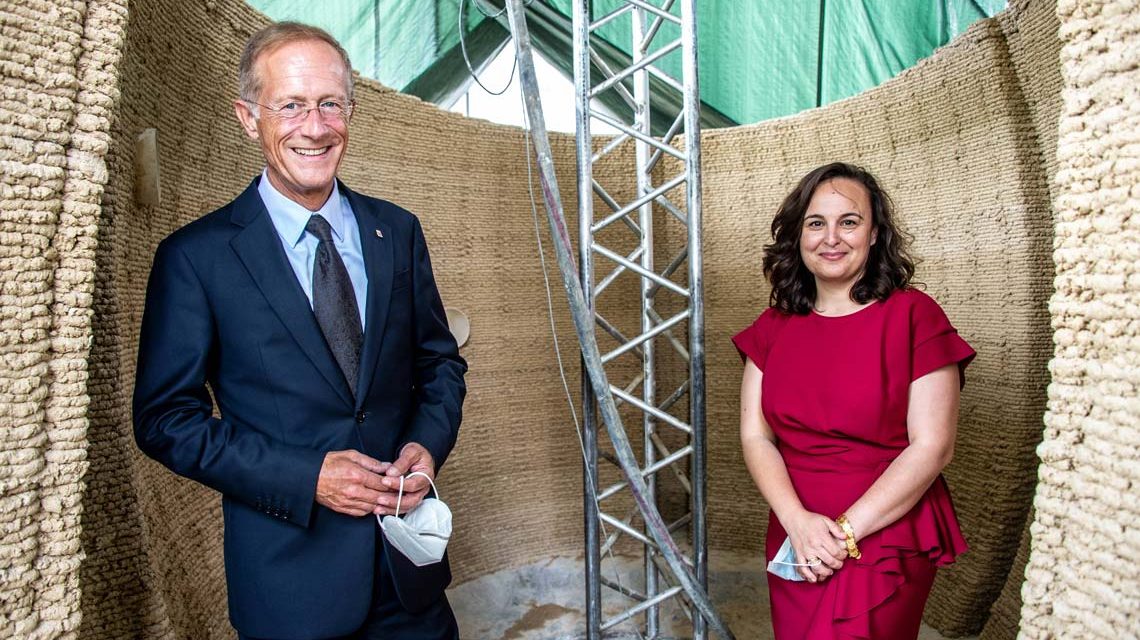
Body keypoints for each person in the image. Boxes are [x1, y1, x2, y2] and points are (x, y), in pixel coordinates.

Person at [133, 22, 467, 640]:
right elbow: (164, 420)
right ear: (247, 116)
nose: (313, 127)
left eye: (329, 104)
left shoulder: (396, 231)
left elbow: (440, 365)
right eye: (290, 105)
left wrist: (428, 445)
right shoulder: (195, 258)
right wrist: (305, 477)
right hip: (290, 592)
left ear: (350, 111)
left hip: (410, 575)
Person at [733, 162, 974, 639]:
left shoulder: (915, 316)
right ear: (797, 236)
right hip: (795, 527)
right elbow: (755, 435)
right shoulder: (773, 327)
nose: (831, 238)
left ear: (875, 233)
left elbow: (933, 447)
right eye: (816, 223)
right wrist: (797, 523)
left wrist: (841, 535)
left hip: (882, 529)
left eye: (849, 221)